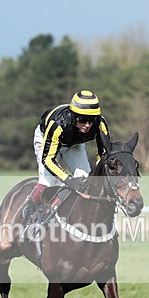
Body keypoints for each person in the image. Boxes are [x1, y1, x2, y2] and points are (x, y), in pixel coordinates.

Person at [22, 90, 110, 221]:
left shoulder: (100, 124)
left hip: (74, 144)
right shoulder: (58, 124)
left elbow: (103, 155)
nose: (87, 125)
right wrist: (68, 180)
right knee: (48, 182)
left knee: (85, 181)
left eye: (91, 120)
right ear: (74, 115)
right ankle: (29, 212)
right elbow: (48, 159)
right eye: (83, 119)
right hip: (46, 139)